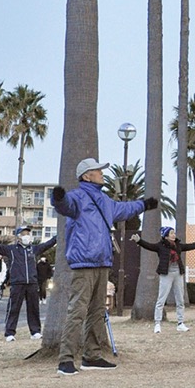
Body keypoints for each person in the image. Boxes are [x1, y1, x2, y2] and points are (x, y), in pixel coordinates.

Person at [51, 158, 155, 376]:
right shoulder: (77, 197)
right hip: (84, 263)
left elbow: (124, 209)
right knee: (77, 311)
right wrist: (57, 198)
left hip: (102, 262)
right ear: (87, 175)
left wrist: (144, 204)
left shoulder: (105, 200)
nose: (102, 173)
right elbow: (65, 206)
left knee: (98, 312)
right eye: (98, 171)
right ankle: (66, 360)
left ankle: (92, 356)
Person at [0, 226, 56, 342]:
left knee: (34, 308)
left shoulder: (34, 249)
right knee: (13, 308)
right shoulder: (11, 249)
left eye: (28, 233)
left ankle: (35, 331)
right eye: (24, 233)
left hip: (32, 282)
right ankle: (9, 332)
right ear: (19, 236)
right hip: (17, 283)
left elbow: (48, 244)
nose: (27, 236)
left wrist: (58, 237)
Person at [134, 227, 195, 333]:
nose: (174, 235)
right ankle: (157, 324)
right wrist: (139, 241)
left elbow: (193, 245)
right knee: (161, 299)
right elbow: (149, 246)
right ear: (166, 236)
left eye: (174, 233)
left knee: (180, 300)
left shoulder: (178, 246)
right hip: (166, 274)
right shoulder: (160, 246)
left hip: (178, 273)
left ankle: (180, 323)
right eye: (171, 233)